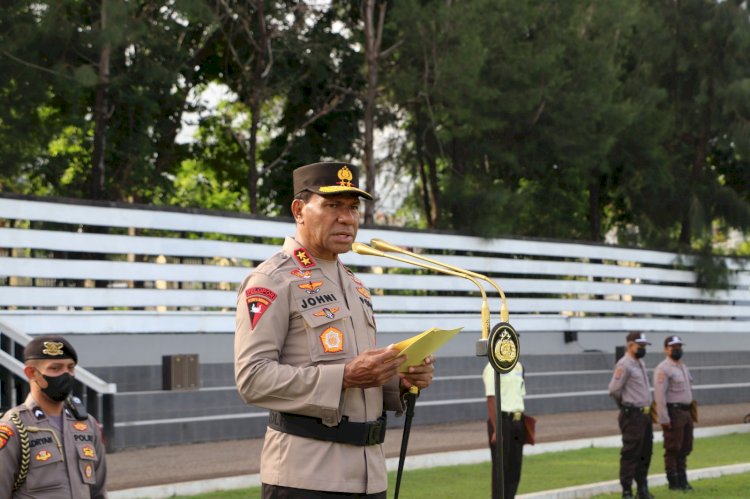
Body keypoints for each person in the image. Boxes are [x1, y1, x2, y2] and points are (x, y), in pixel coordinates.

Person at [234, 161, 435, 498]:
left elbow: (358, 376)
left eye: (353, 207)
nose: (347, 217)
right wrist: (345, 377)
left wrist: (397, 381)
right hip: (306, 478)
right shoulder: (272, 280)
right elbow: (252, 379)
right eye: (332, 206)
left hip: (369, 476)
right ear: (299, 210)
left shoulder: (356, 287)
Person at [0, 335, 108, 498]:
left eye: (70, 368)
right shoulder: (13, 428)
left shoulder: (87, 424)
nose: (66, 374)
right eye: (55, 368)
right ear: (31, 373)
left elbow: (98, 492)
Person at [608, 332, 654, 499]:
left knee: (645, 452)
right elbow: (614, 390)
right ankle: (627, 490)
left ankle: (642, 488)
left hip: (645, 415)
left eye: (644, 346)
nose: (642, 349)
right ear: (629, 345)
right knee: (631, 453)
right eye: (639, 346)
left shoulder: (640, 362)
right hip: (632, 414)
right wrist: (626, 405)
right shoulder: (624, 364)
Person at [653, 335, 694, 492]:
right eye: (674, 347)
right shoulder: (663, 369)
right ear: (666, 349)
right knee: (673, 448)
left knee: (685, 447)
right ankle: (674, 482)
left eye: (679, 347)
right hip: (673, 412)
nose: (678, 349)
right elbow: (660, 396)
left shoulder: (683, 367)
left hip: (686, 412)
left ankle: (683, 479)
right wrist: (663, 417)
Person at [482, 358, 526, 499]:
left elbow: (519, 395)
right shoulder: (492, 367)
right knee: (501, 471)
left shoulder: (519, 367)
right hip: (502, 422)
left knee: (515, 468)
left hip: (518, 421)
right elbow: (491, 398)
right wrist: (496, 429)